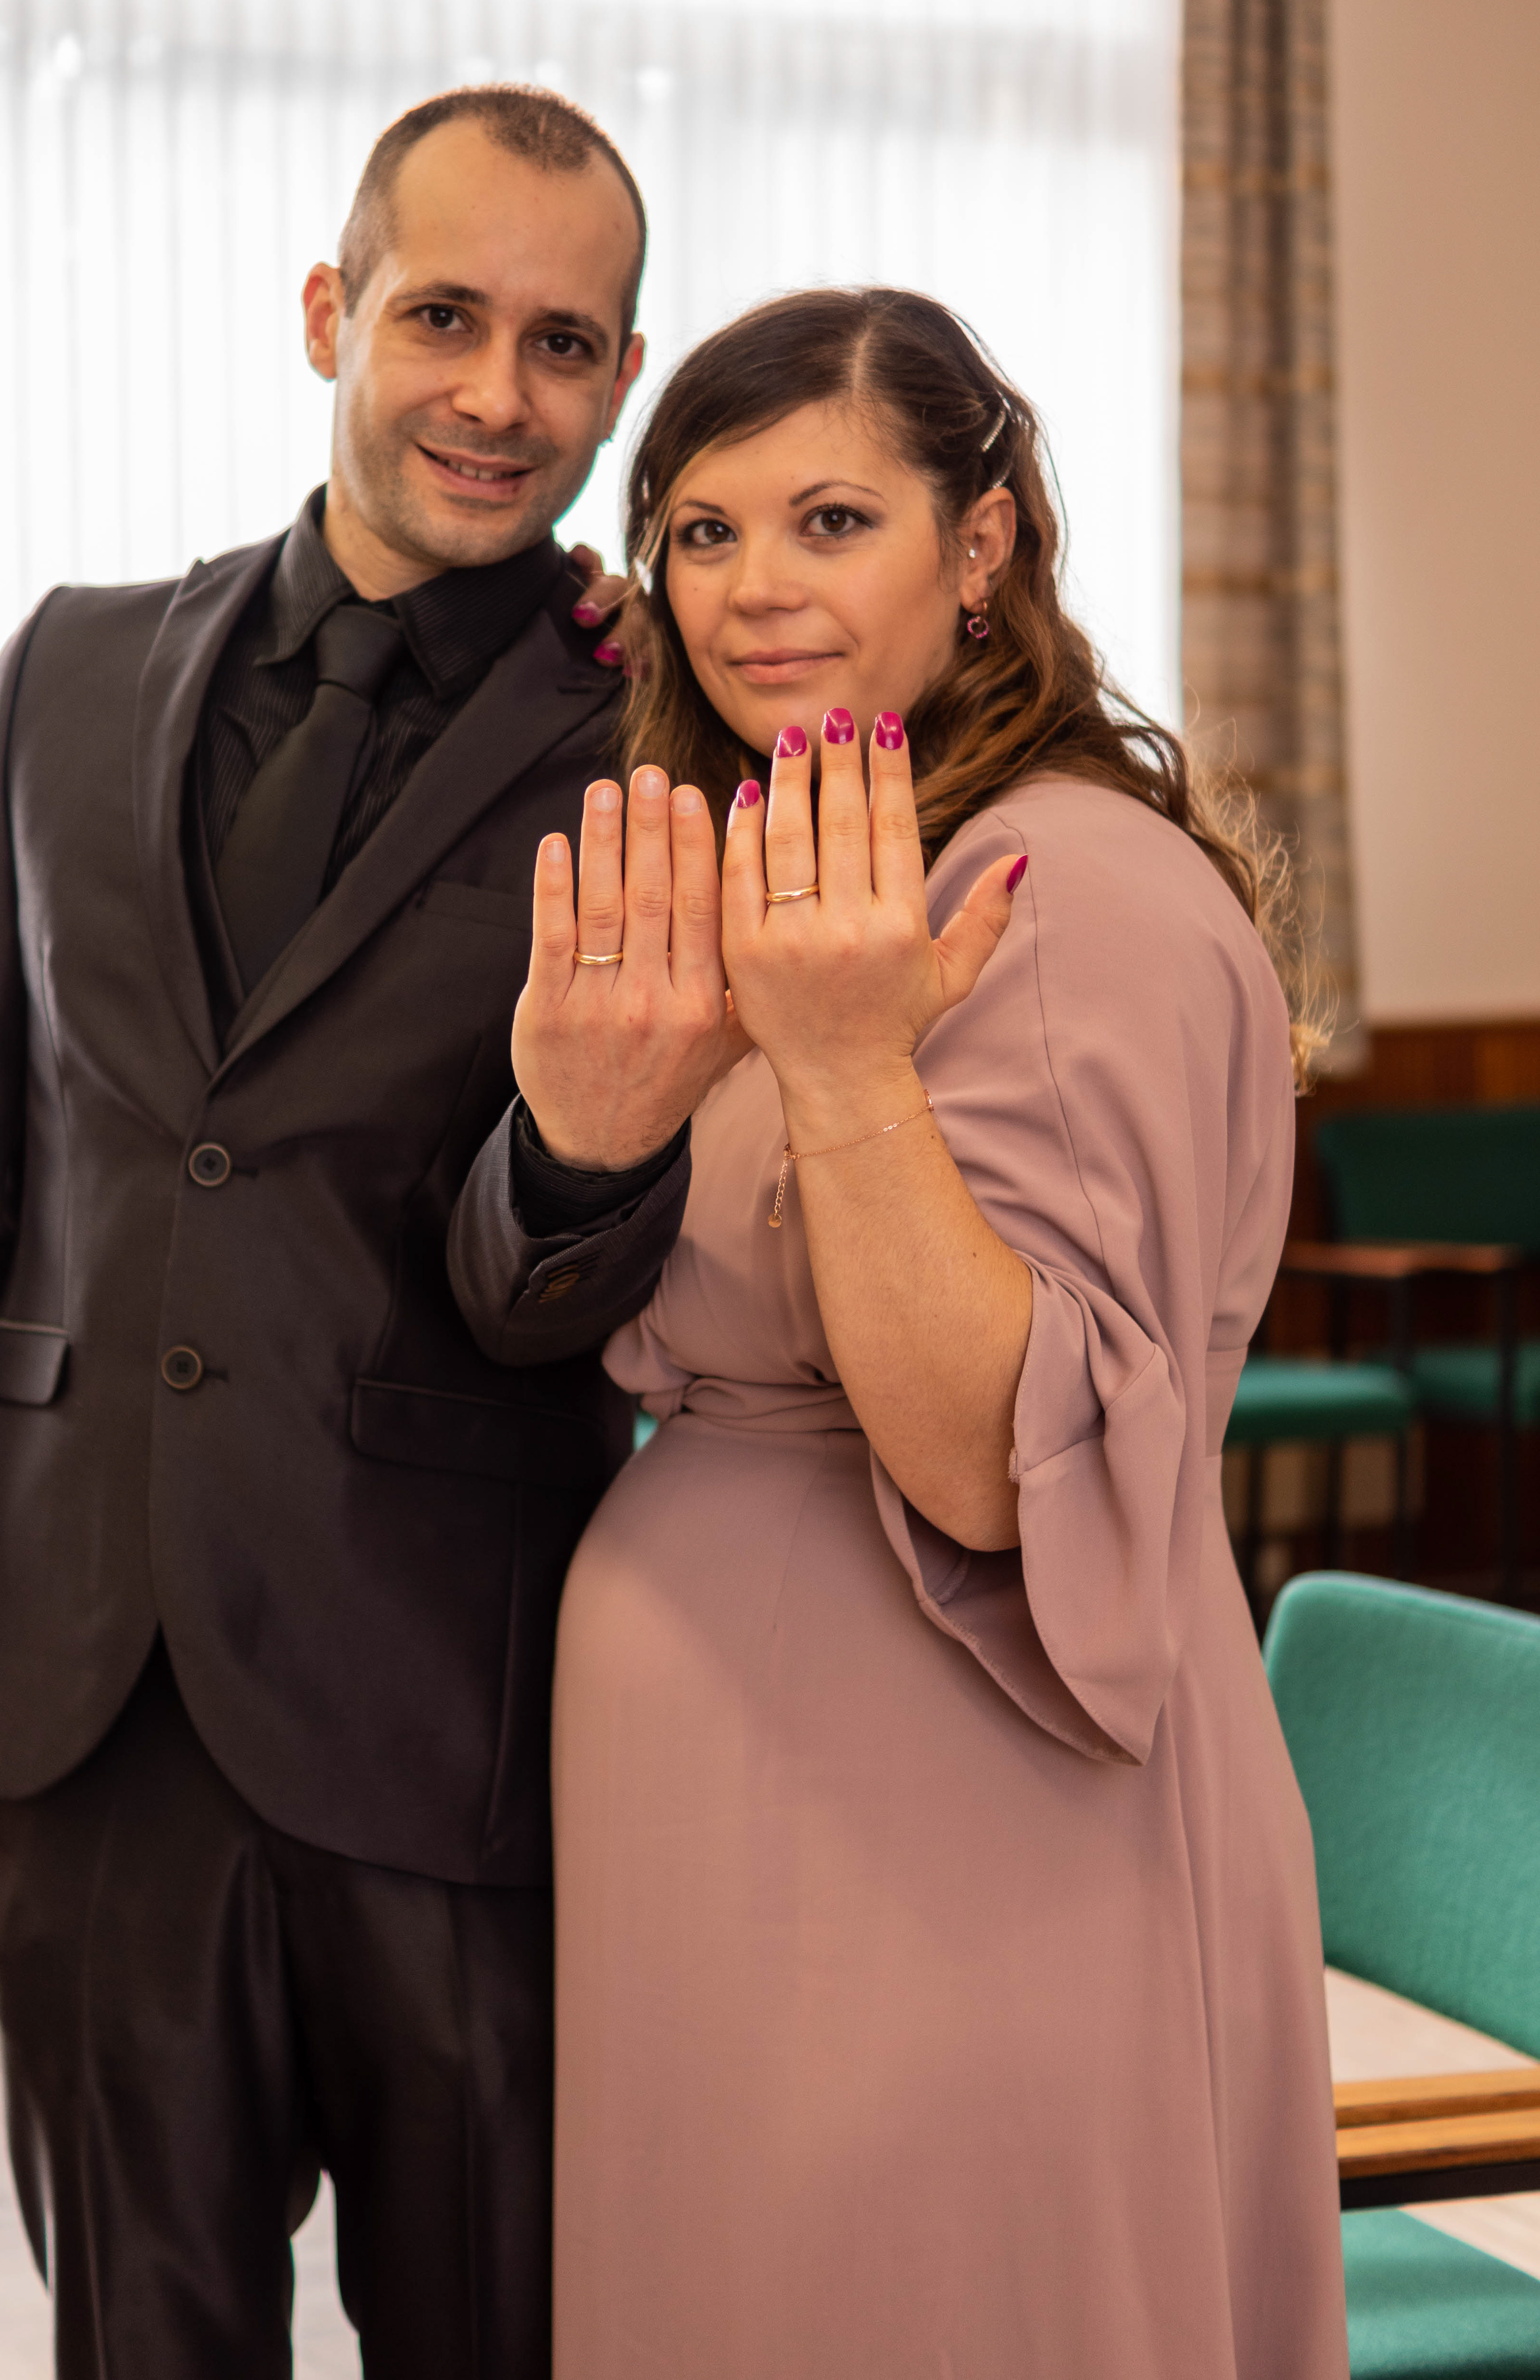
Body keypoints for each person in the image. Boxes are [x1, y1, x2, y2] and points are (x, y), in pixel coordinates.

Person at [0, 83, 683, 2380]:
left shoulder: (666, 729)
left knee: (498, 2330)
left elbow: (606, 1251)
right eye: (447, 315)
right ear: (330, 313)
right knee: (143, 2342)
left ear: (621, 381)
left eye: (567, 345)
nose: (499, 393)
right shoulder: (68, 672)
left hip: (459, 1698)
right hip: (87, 1689)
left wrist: (580, 1155)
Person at [450, 287, 1350, 2377]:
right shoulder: (803, 854)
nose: (754, 590)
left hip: (947, 1822)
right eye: (700, 532)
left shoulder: (1063, 892)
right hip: (736, 1812)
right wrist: (585, 1136)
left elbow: (992, 1469)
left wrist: (850, 1077)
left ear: (985, 541)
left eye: (833, 521)